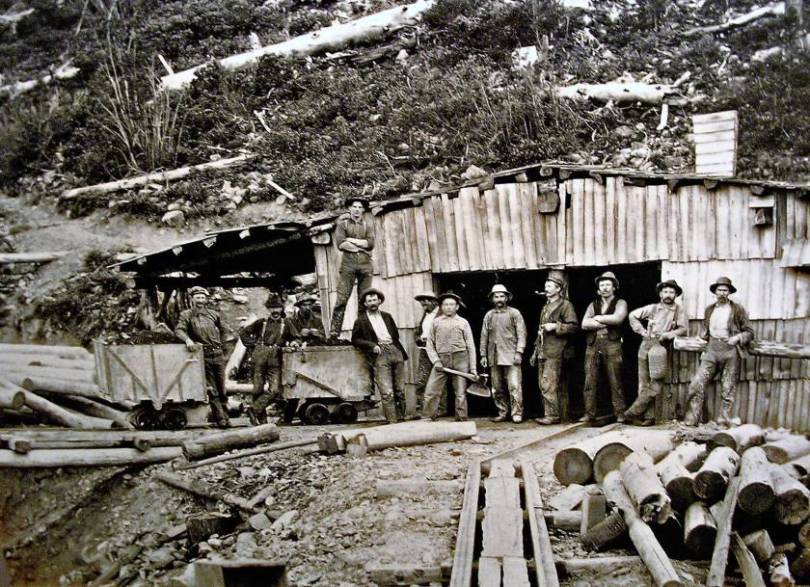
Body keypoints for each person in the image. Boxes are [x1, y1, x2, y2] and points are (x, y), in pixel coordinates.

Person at [685, 277, 754, 426]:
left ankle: (723, 419)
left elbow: (749, 332)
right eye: (719, 290)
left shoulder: (737, 309)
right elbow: (705, 330)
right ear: (715, 292)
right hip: (711, 350)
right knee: (697, 383)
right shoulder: (710, 309)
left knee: (728, 387)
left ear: (729, 292)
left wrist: (737, 338)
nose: (722, 293)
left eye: (725, 290)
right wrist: (702, 337)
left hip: (730, 351)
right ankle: (693, 418)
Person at [624, 280, 687, 425]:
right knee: (643, 382)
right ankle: (648, 417)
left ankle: (632, 412)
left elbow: (683, 329)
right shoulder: (653, 308)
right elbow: (632, 315)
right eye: (665, 292)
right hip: (646, 344)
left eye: (671, 292)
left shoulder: (678, 310)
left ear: (675, 295)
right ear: (660, 294)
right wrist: (642, 331)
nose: (668, 295)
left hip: (661, 347)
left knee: (656, 382)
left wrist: (668, 335)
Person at [239, 293, 300, 424]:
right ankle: (261, 421)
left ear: (281, 309)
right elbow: (243, 333)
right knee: (258, 389)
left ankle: (254, 409)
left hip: (276, 357)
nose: (275, 311)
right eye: (272, 308)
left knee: (275, 390)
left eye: (277, 308)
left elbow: (297, 337)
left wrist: (295, 342)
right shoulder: (262, 322)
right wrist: (252, 345)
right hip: (259, 357)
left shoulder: (286, 323)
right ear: (268, 309)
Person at [175, 286, 232, 427]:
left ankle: (226, 416)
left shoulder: (213, 314)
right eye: (197, 297)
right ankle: (221, 419)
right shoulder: (187, 315)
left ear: (206, 299)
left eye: (202, 297)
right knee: (212, 390)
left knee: (222, 388)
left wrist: (222, 345)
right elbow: (179, 330)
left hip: (218, 354)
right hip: (203, 356)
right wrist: (188, 340)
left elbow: (225, 329)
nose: (200, 300)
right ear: (192, 299)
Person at [351, 288, 408, 423]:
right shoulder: (361, 321)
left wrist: (395, 348)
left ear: (380, 301)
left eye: (374, 300)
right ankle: (392, 420)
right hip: (379, 353)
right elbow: (355, 339)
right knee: (387, 391)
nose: (372, 303)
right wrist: (372, 345)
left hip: (395, 350)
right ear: (365, 304)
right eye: (369, 301)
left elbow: (395, 334)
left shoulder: (387, 316)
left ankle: (402, 418)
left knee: (400, 388)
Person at [530, 270, 578, 425]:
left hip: (557, 351)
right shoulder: (545, 307)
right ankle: (560, 415)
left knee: (549, 384)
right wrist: (535, 352)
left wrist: (555, 326)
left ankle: (552, 416)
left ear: (558, 289)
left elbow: (574, 327)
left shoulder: (565, 305)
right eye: (546, 285)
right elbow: (540, 332)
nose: (546, 288)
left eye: (550, 286)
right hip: (544, 351)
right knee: (545, 384)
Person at [580, 271, 628, 424]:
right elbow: (584, 323)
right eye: (602, 285)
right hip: (593, 344)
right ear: (598, 289)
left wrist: (598, 318)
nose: (605, 288)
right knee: (590, 379)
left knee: (615, 379)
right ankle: (589, 413)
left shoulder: (620, 303)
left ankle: (620, 413)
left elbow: (618, 318)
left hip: (612, 343)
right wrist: (605, 322)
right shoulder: (593, 304)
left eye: (608, 285)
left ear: (614, 287)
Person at [422, 292, 477, 422]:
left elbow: (471, 346)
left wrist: (473, 368)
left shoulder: (463, 322)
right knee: (431, 390)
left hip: (460, 358)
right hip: (441, 359)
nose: (448, 307)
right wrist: (436, 361)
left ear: (457, 307)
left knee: (460, 392)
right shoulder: (436, 322)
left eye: (451, 304)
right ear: (441, 306)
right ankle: (428, 417)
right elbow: (430, 344)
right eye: (445, 304)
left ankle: (461, 418)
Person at [480, 284, 527, 423]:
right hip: (494, 356)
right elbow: (484, 336)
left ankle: (517, 413)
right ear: (492, 299)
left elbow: (522, 334)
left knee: (514, 386)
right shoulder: (489, 315)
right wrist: (483, 355)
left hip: (511, 355)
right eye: (496, 296)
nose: (499, 299)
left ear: (507, 298)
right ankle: (502, 412)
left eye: (502, 296)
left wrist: (519, 352)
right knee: (497, 387)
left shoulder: (514, 313)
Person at [330, 197, 375, 338]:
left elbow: (371, 244)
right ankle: (334, 334)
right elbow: (341, 244)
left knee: (364, 300)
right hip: (348, 266)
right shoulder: (342, 224)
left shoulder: (368, 225)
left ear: (363, 210)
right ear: (349, 208)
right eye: (354, 206)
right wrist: (361, 246)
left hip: (366, 266)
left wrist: (352, 240)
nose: (357, 210)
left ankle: (362, 334)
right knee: (342, 299)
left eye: (360, 207)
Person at [412, 290, 441, 419]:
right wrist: (418, 338)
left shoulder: (441, 314)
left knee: (439, 379)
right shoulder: (426, 314)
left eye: (426, 300)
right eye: (421, 301)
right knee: (421, 380)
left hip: (437, 351)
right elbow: (419, 331)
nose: (423, 303)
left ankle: (440, 410)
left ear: (434, 301)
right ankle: (421, 410)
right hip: (424, 351)